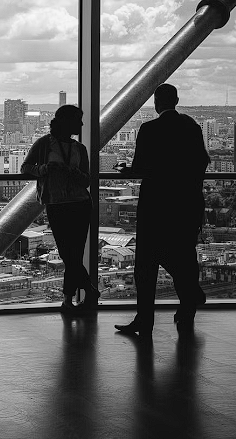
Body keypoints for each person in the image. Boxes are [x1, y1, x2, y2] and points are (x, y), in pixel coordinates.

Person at [115, 84, 210, 337]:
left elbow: (141, 168)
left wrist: (126, 171)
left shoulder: (149, 129)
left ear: (156, 103)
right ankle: (188, 303)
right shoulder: (192, 128)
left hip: (156, 205)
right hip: (186, 204)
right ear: (177, 100)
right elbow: (202, 162)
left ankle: (145, 320)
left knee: (146, 264)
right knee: (184, 254)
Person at [21, 105, 98, 314]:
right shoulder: (44, 144)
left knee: (73, 254)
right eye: (78, 120)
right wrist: (45, 169)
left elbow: (86, 180)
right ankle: (87, 292)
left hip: (78, 203)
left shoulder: (79, 148)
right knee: (69, 254)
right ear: (67, 122)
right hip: (60, 203)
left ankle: (69, 299)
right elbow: (26, 168)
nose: (81, 124)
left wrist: (69, 171)